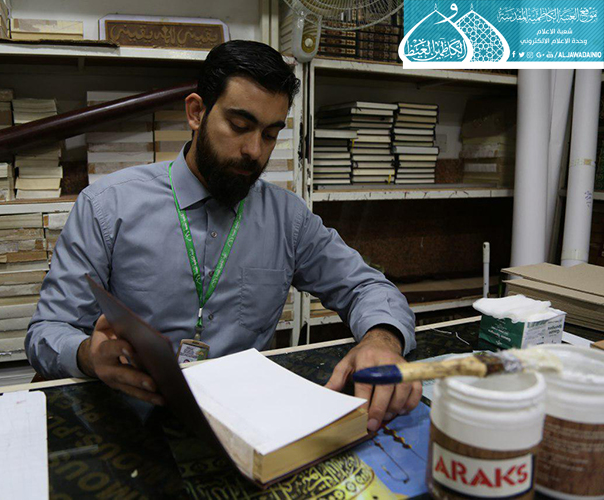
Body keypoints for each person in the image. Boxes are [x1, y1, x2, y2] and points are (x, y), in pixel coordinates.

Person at [26, 40, 421, 432]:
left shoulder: (288, 219)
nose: (254, 151)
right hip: (133, 420)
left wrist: (382, 340)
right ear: (196, 112)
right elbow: (48, 330)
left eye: (270, 134)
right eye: (239, 126)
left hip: (244, 424)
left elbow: (365, 286)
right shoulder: (107, 206)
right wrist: (88, 355)